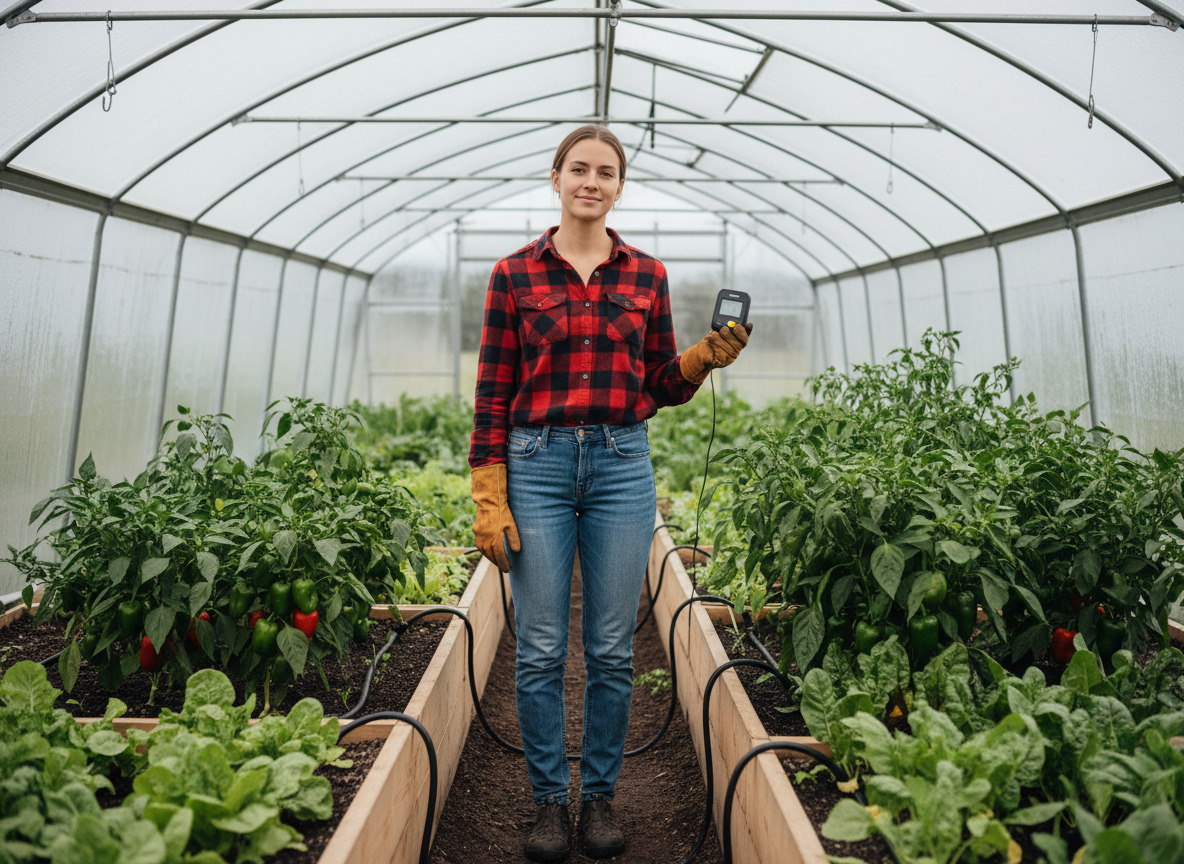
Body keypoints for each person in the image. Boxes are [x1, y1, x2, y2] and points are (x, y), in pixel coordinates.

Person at [468, 125, 753, 862]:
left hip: (623, 463)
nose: (591, 182)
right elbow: (492, 392)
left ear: (619, 187)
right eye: (579, 169)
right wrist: (487, 492)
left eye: (606, 172)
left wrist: (698, 359)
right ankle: (544, 805)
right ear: (555, 178)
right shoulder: (512, 275)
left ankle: (597, 799)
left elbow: (658, 385)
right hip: (535, 463)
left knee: (609, 650)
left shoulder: (647, 276)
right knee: (536, 647)